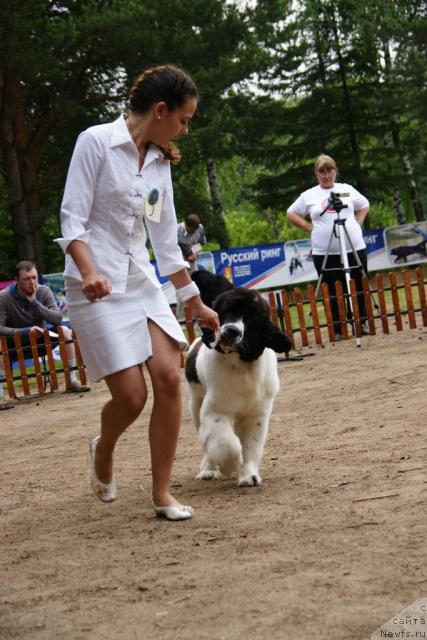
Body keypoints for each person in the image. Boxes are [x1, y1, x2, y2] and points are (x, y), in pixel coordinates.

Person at [55, 65, 219, 521]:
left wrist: (194, 300)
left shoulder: (160, 162)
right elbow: (72, 220)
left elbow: (166, 243)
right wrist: (88, 271)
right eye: (183, 119)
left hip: (140, 281)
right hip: (95, 284)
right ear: (161, 110)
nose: (185, 129)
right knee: (131, 397)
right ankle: (103, 448)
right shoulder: (95, 143)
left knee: (168, 378)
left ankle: (161, 493)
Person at [287, 154, 370, 340]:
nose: (326, 175)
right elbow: (291, 213)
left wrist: (358, 221)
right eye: (322, 171)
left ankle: (361, 321)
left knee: (358, 283)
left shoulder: (346, 189)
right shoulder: (309, 195)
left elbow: (364, 204)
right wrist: (308, 227)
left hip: (353, 247)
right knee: (331, 289)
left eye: (330, 170)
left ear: (335, 171)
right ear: (316, 173)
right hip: (325, 251)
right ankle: (338, 328)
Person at [0, 260, 90, 398]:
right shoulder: (4, 297)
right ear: (17, 280)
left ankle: (71, 381)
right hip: (13, 344)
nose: (31, 282)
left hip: (41, 340)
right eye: (26, 279)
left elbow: (57, 318)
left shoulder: (43, 291)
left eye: (34, 277)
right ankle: (0, 394)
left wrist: (34, 302)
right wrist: (24, 331)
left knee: (65, 331)